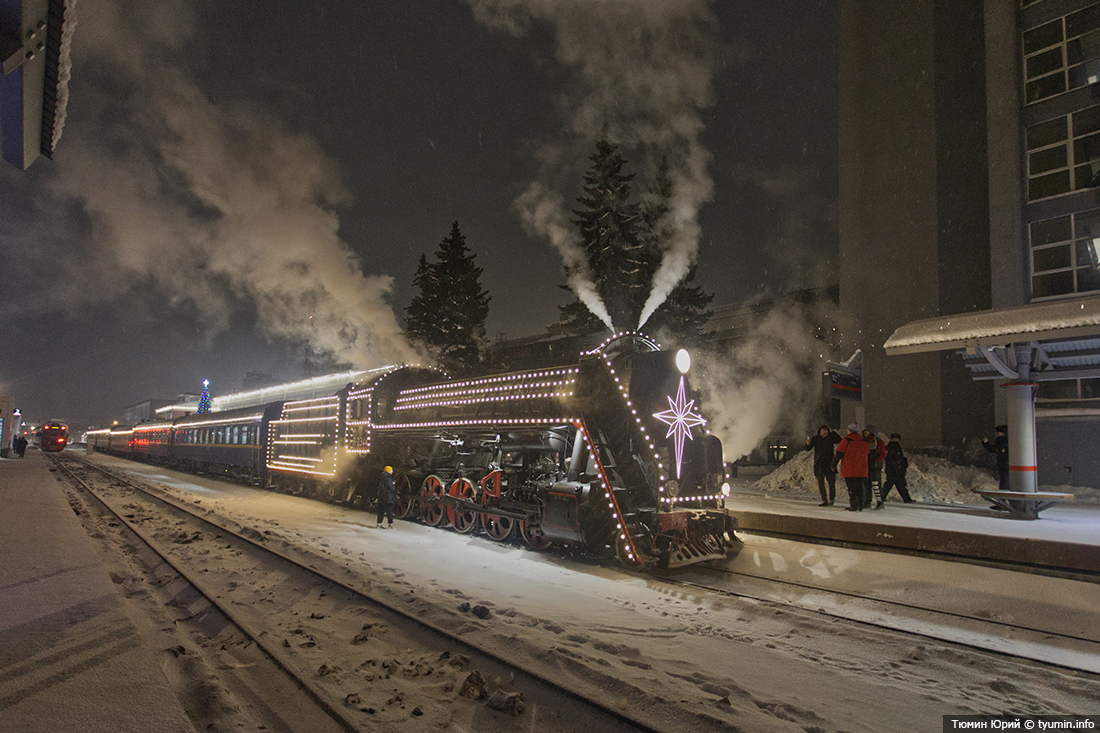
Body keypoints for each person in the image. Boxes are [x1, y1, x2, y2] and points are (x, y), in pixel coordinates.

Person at [832, 423, 871, 511]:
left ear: (849, 431)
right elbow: (868, 454)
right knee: (860, 487)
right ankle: (861, 504)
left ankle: (854, 504)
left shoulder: (846, 440)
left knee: (852, 488)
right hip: (862, 469)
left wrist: (833, 465)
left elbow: (839, 453)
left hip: (850, 468)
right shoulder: (864, 441)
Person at [805, 425, 841, 506]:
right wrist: (807, 444)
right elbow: (808, 448)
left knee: (831, 482)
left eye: (825, 432)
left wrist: (833, 433)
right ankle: (824, 499)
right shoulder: (816, 439)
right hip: (819, 464)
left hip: (829, 463)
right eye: (822, 432)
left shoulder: (831, 438)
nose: (823, 434)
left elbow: (839, 440)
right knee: (821, 483)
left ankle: (831, 498)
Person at [880, 433, 914, 505]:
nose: (895, 440)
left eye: (896, 439)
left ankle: (907, 499)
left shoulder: (898, 447)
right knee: (889, 485)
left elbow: (900, 458)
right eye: (894, 439)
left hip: (898, 470)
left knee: (901, 485)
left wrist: (903, 466)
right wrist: (895, 466)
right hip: (892, 470)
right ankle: (881, 498)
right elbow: (888, 459)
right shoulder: (890, 447)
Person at [863, 426, 886, 509]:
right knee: (866, 484)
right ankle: (867, 501)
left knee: (875, 484)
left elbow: (883, 453)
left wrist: (876, 461)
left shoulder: (879, 442)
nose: (866, 433)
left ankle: (880, 501)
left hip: (875, 467)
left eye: (868, 431)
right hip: (866, 466)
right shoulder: (863, 441)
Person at [982, 425, 1010, 491]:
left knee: (1005, 481)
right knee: (1004, 479)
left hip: (1005, 464)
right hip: (1002, 464)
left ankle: (1003, 496)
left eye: (999, 433)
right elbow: (992, 449)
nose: (998, 434)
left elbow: (995, 449)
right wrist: (985, 443)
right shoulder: (1000, 442)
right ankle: (1004, 496)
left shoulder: (1005, 442)